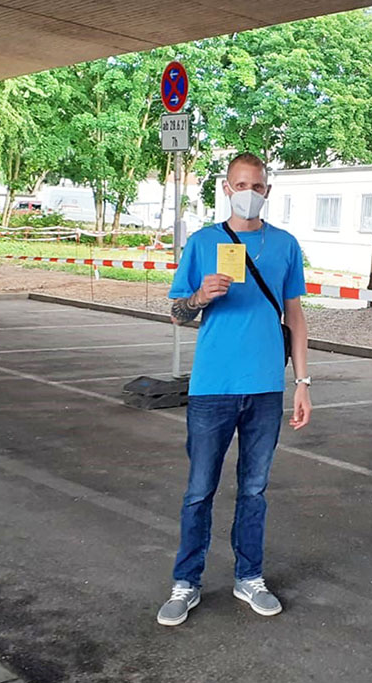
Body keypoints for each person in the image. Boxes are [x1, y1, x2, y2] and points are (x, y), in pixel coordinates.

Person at [157, 152, 312, 626]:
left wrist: (302, 383)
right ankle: (186, 583)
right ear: (226, 188)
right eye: (241, 183)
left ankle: (250, 577)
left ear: (268, 190)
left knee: (255, 489)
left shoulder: (284, 245)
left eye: (258, 184)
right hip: (212, 388)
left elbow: (296, 317)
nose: (250, 191)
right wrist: (200, 296)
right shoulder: (203, 243)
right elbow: (177, 314)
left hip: (265, 388)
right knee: (199, 490)